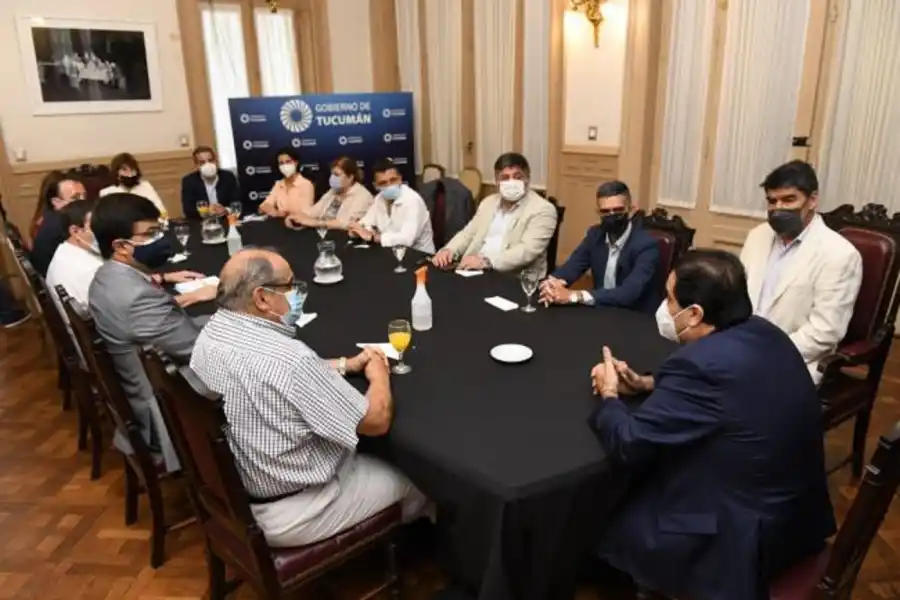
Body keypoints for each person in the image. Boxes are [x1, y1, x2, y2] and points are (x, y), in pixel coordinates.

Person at [588, 249, 835, 600]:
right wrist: (647, 383)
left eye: (669, 299)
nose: (664, 307)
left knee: (609, 510)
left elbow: (629, 444)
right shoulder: (767, 333)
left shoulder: (699, 364)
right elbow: (735, 387)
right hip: (797, 520)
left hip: (740, 543)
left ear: (694, 314)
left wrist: (609, 393)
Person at [190, 247, 428, 546]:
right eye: (289, 285)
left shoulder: (211, 333)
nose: (297, 293)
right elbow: (376, 421)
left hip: (239, 490)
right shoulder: (291, 360)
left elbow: (268, 373)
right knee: (424, 484)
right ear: (262, 298)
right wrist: (378, 374)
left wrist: (345, 364)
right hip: (298, 507)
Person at [88, 193, 217, 471]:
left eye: (160, 230)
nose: (160, 239)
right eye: (150, 234)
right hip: (169, 408)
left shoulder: (107, 275)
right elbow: (201, 352)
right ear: (121, 246)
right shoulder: (136, 298)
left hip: (147, 383)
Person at [740, 160, 862, 383]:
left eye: (789, 199)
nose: (778, 208)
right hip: (742, 346)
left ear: (812, 200)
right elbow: (737, 296)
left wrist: (765, 353)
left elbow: (825, 332)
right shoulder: (757, 235)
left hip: (794, 360)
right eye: (772, 201)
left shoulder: (839, 254)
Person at [539, 180, 660, 313]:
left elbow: (628, 293)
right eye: (605, 211)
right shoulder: (595, 235)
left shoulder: (646, 245)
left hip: (634, 315)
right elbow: (572, 266)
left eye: (618, 210)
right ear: (598, 212)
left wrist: (575, 295)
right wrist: (552, 284)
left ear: (631, 210)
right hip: (601, 311)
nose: (611, 215)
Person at [431, 153, 557, 277]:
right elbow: (468, 233)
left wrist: (486, 262)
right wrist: (449, 250)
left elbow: (526, 251)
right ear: (497, 181)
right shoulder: (488, 202)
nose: (511, 182)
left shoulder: (543, 209)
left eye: (517, 177)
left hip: (514, 278)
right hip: (475, 271)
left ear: (527, 179)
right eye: (505, 178)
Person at [45, 199, 103, 348]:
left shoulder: (64, 252)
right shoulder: (88, 270)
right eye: (98, 226)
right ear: (75, 231)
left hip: (87, 341)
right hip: (102, 344)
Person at [349, 159, 435, 253]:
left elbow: (407, 239)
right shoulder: (379, 199)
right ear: (375, 186)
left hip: (418, 254)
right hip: (391, 251)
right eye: (383, 183)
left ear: (400, 179)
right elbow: (367, 222)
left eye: (393, 180)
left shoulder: (412, 200)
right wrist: (357, 230)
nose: (389, 186)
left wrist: (374, 237)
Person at [284, 156, 374, 230]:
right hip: (324, 235)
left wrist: (316, 223)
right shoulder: (333, 191)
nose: (332, 178)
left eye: (337, 175)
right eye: (332, 174)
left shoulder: (363, 196)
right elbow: (314, 211)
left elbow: (346, 223)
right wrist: (297, 216)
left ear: (350, 177)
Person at [31, 172, 88, 277]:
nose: (83, 202)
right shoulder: (60, 225)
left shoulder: (49, 218)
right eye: (75, 198)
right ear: (56, 202)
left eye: (84, 196)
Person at [180, 146, 242, 218]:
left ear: (216, 161)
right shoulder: (189, 181)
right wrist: (207, 211)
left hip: (227, 219)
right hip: (203, 221)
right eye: (202, 162)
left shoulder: (228, 176)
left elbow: (237, 201)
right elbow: (188, 210)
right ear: (196, 165)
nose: (208, 165)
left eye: (211, 160)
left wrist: (226, 210)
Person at [100, 152, 167, 215]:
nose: (130, 174)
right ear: (116, 173)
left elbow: (161, 210)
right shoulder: (107, 193)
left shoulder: (146, 187)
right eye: (124, 170)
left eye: (132, 169)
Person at [259, 147, 315, 220]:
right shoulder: (279, 184)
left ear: (296, 163)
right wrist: (275, 212)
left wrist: (285, 214)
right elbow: (264, 205)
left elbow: (305, 213)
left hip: (299, 224)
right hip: (280, 223)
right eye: (281, 163)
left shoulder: (306, 185)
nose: (285, 166)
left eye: (288, 162)